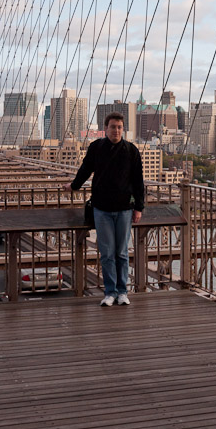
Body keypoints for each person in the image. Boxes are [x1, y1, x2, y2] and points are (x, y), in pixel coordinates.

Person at [63, 112, 144, 307]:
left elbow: (138, 181)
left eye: (119, 127)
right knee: (107, 253)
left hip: (125, 209)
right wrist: (74, 185)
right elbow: (85, 169)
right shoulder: (96, 148)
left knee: (122, 253)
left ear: (122, 129)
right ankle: (110, 292)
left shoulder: (131, 150)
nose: (116, 130)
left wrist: (139, 208)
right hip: (101, 209)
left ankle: (123, 292)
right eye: (112, 127)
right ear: (105, 128)